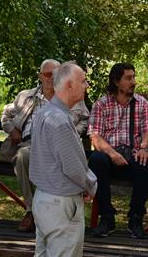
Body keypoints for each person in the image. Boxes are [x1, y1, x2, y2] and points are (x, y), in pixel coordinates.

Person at [1, 59, 90, 232]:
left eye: (56, 74)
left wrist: (73, 132)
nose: (52, 78)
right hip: (30, 144)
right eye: (48, 74)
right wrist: (12, 131)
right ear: (40, 76)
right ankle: (31, 210)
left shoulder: (68, 95)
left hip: (59, 146)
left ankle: (45, 212)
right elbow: (6, 114)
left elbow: (85, 120)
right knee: (22, 156)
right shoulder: (25, 96)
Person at [30, 61, 97, 257]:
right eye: (83, 81)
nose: (86, 86)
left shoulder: (45, 113)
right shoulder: (59, 119)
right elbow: (73, 167)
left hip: (44, 199)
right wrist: (91, 186)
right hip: (61, 205)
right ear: (69, 85)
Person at [87, 63, 148, 238]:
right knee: (96, 159)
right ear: (117, 81)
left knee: (145, 162)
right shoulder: (101, 104)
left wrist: (144, 148)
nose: (134, 81)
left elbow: (147, 131)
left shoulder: (142, 104)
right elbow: (95, 136)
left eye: (134, 77)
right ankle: (107, 217)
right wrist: (112, 153)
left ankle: (136, 217)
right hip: (110, 156)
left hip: (133, 154)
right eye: (128, 78)